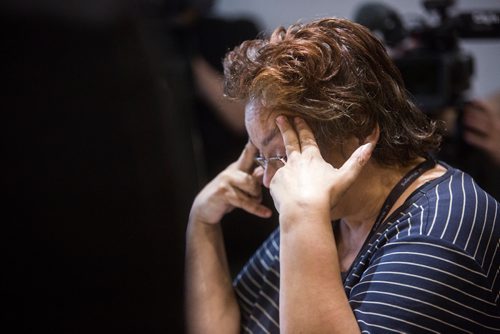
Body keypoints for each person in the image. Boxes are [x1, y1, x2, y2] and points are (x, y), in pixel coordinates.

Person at [185, 17, 500, 333]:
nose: (269, 180)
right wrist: (202, 223)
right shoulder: (333, 213)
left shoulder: (438, 232)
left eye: (281, 155)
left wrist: (303, 216)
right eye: (260, 156)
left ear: (358, 130)